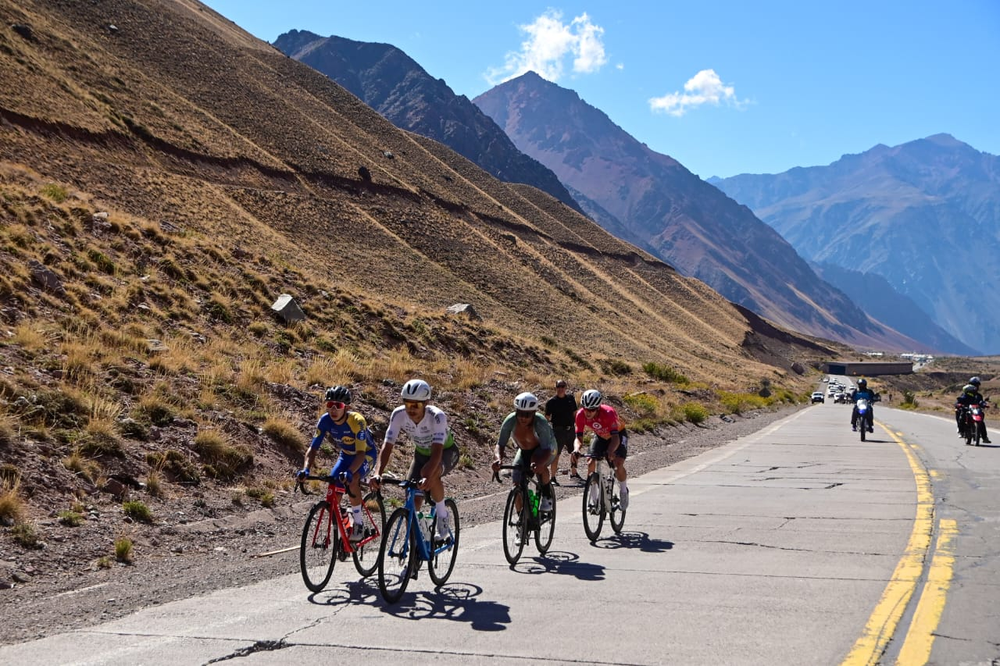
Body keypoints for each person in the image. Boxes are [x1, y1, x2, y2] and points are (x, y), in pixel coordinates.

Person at [370, 379, 459, 540]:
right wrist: (377, 473)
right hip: (421, 454)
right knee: (412, 500)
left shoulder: (437, 416)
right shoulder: (398, 414)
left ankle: (442, 514)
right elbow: (387, 446)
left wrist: (427, 475)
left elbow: (437, 451)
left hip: (445, 452)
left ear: (426, 403)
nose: (411, 409)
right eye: (407, 404)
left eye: (416, 405)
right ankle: (415, 546)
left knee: (430, 473)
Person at [297, 386, 375, 541]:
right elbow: (313, 448)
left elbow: (360, 454)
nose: (333, 409)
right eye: (329, 404)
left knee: (352, 482)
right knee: (333, 493)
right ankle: (345, 521)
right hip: (345, 455)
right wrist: (305, 469)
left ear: (346, 407)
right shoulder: (325, 420)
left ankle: (359, 524)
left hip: (366, 455)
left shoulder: (357, 421)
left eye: (338, 406)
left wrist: (351, 472)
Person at [491, 392, 556, 513]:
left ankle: (547, 496)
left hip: (545, 448)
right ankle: (522, 517)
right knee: (516, 481)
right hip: (524, 450)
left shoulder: (540, 422)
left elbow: (547, 450)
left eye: (527, 414)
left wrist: (540, 464)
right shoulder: (510, 421)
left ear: (533, 413)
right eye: (520, 413)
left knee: (538, 464)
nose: (523, 418)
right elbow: (500, 444)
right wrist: (498, 459)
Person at [572, 389, 630, 510]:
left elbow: (615, 438)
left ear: (598, 408)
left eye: (592, 410)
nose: (588, 412)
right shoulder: (580, 415)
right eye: (585, 408)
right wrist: (576, 449)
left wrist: (610, 451)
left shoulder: (608, 413)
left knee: (618, 463)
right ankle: (594, 499)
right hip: (600, 436)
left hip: (617, 435)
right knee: (590, 461)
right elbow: (579, 438)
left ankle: (624, 490)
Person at [545, 380, 579, 483]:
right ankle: (553, 477)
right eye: (558, 386)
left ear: (566, 387)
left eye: (563, 386)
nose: (561, 389)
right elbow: (547, 416)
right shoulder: (551, 402)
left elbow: (574, 412)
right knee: (556, 454)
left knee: (574, 452)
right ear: (555, 388)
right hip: (558, 430)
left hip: (570, 429)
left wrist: (576, 425)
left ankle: (574, 473)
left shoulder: (570, 399)